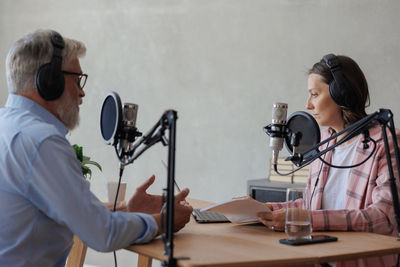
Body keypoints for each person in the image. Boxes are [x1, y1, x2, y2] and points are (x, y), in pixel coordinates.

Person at [0, 29, 193, 266]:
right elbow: (103, 234)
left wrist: (124, 208)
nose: (82, 92)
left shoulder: (7, 127)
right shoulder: (42, 142)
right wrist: (164, 222)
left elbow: (63, 210)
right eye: (76, 79)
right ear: (49, 81)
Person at [258, 54, 400, 266]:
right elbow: (312, 204)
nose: (308, 105)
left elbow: (383, 218)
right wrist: (267, 209)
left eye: (314, 94)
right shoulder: (324, 142)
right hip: (322, 259)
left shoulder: (385, 141)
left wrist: (307, 218)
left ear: (342, 95)